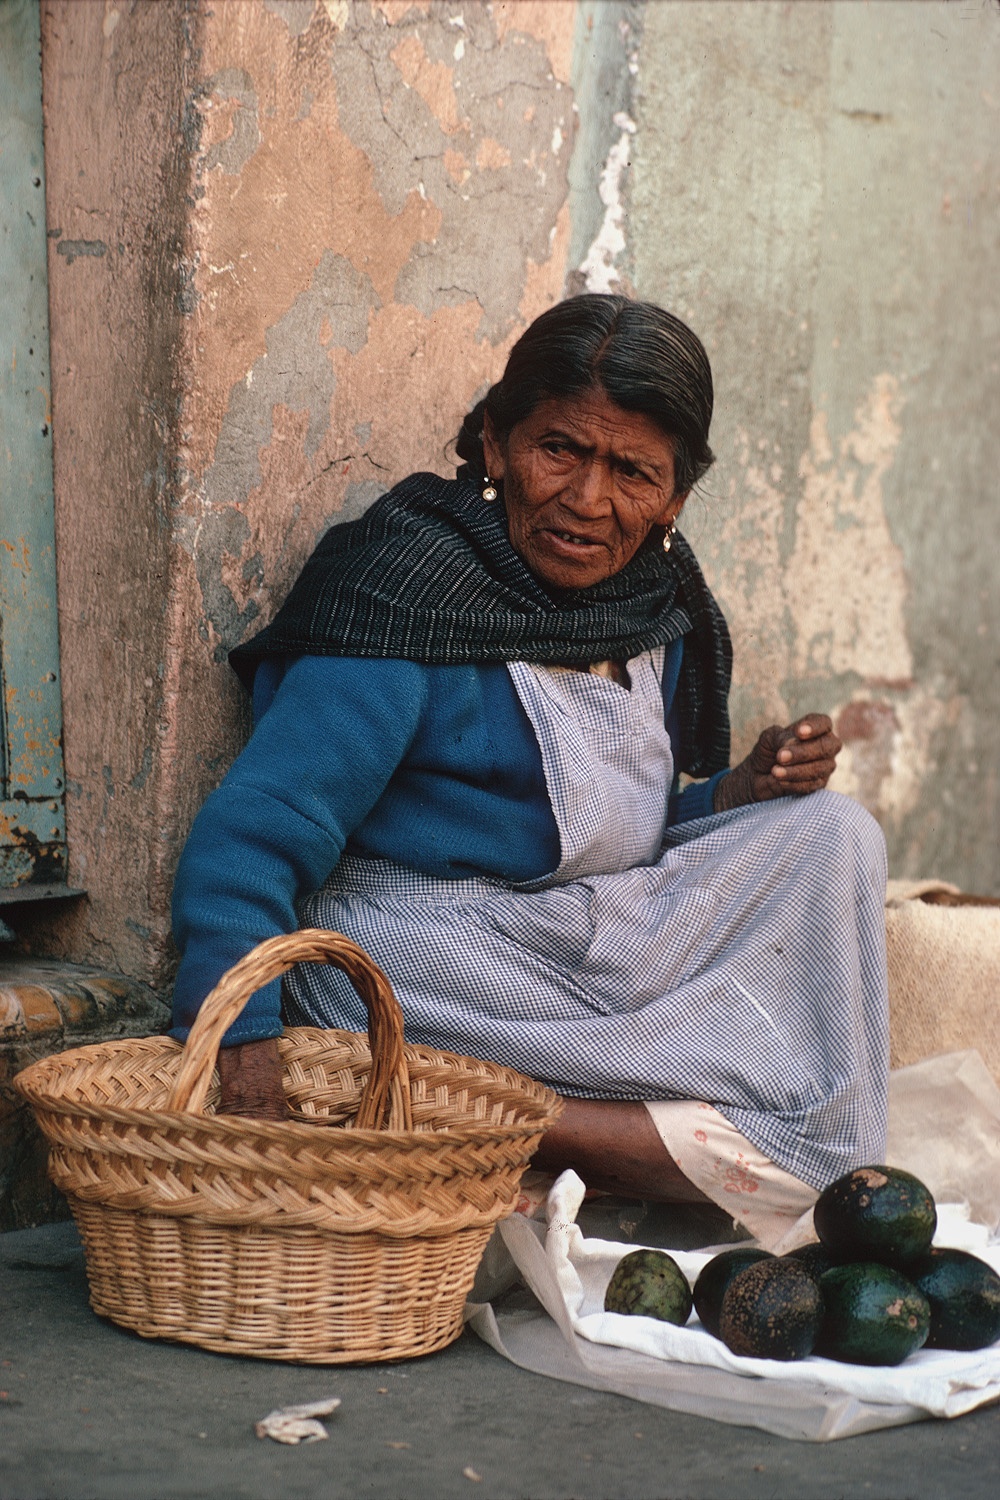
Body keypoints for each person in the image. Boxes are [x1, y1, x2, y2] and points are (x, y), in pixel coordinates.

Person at [171, 294, 888, 1248]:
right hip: (435, 952)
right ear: (495, 442)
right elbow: (250, 837)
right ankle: (525, 1127)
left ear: (674, 498)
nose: (589, 501)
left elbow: (621, 819)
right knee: (785, 1132)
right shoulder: (404, 602)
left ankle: (506, 1132)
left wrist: (737, 795)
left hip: (589, 934)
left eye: (632, 471)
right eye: (561, 451)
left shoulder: (648, 606)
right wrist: (246, 1043)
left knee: (834, 834)